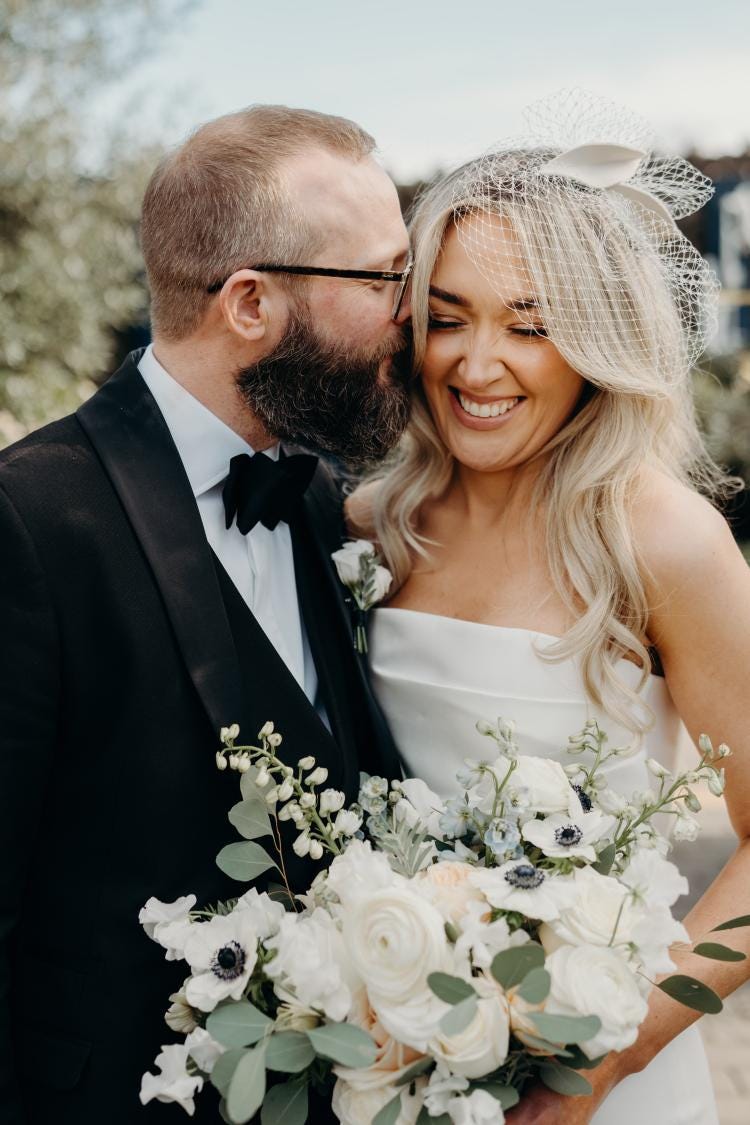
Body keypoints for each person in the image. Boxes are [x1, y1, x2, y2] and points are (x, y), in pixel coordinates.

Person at [0, 104, 411, 1124]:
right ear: (250, 303)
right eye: (383, 278)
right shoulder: (28, 520)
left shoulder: (320, 498)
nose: (413, 312)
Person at [351, 92, 750, 1124]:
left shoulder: (662, 542)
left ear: (595, 340)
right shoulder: (368, 529)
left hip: (605, 1079)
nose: (476, 365)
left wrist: (610, 1062)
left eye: (529, 326)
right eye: (448, 318)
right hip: (387, 1066)